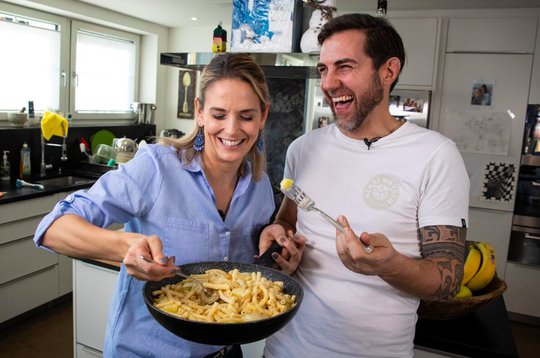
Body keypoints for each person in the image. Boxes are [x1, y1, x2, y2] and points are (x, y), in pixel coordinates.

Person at [33, 53, 302, 358]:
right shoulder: (156, 167)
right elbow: (52, 228)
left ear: (263, 117)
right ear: (199, 113)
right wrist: (124, 246)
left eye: (246, 116)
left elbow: (247, 269)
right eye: (218, 114)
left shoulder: (260, 185)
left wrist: (276, 251)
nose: (231, 129)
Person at [261, 13, 469, 357]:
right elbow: (287, 221)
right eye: (323, 69)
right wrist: (279, 236)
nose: (328, 83)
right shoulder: (303, 148)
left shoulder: (436, 156)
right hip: (284, 347)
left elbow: (447, 281)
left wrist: (388, 265)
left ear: (388, 71)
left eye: (344, 66)